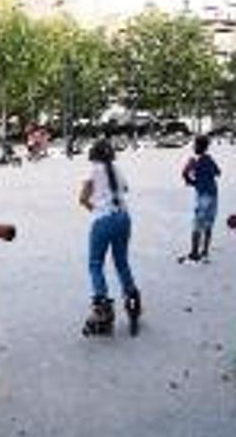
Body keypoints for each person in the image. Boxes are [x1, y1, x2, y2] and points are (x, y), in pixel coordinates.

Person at [78, 139, 141, 336]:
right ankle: (131, 298)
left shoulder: (93, 171)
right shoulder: (116, 169)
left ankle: (103, 307)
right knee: (122, 262)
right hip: (123, 217)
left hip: (103, 219)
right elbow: (125, 189)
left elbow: (82, 198)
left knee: (95, 263)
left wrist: (94, 208)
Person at [179, 135, 221, 263]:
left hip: (203, 195)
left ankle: (194, 253)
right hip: (213, 195)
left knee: (197, 224)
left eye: (194, 145)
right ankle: (205, 251)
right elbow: (218, 172)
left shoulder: (196, 162)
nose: (193, 147)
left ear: (198, 146)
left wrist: (190, 170)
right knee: (209, 223)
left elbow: (185, 175)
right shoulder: (209, 159)